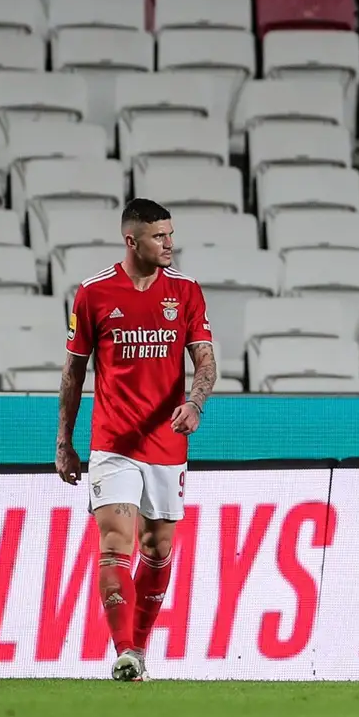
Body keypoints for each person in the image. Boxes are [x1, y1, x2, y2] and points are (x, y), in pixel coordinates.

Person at [54, 198, 217, 681]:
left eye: (170, 234)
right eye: (159, 237)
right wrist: (64, 442)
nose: (169, 244)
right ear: (132, 241)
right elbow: (72, 372)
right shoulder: (93, 294)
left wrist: (195, 403)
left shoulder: (185, 292)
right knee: (113, 546)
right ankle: (123, 649)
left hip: (166, 444)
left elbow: (205, 361)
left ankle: (139, 651)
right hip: (113, 443)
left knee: (158, 549)